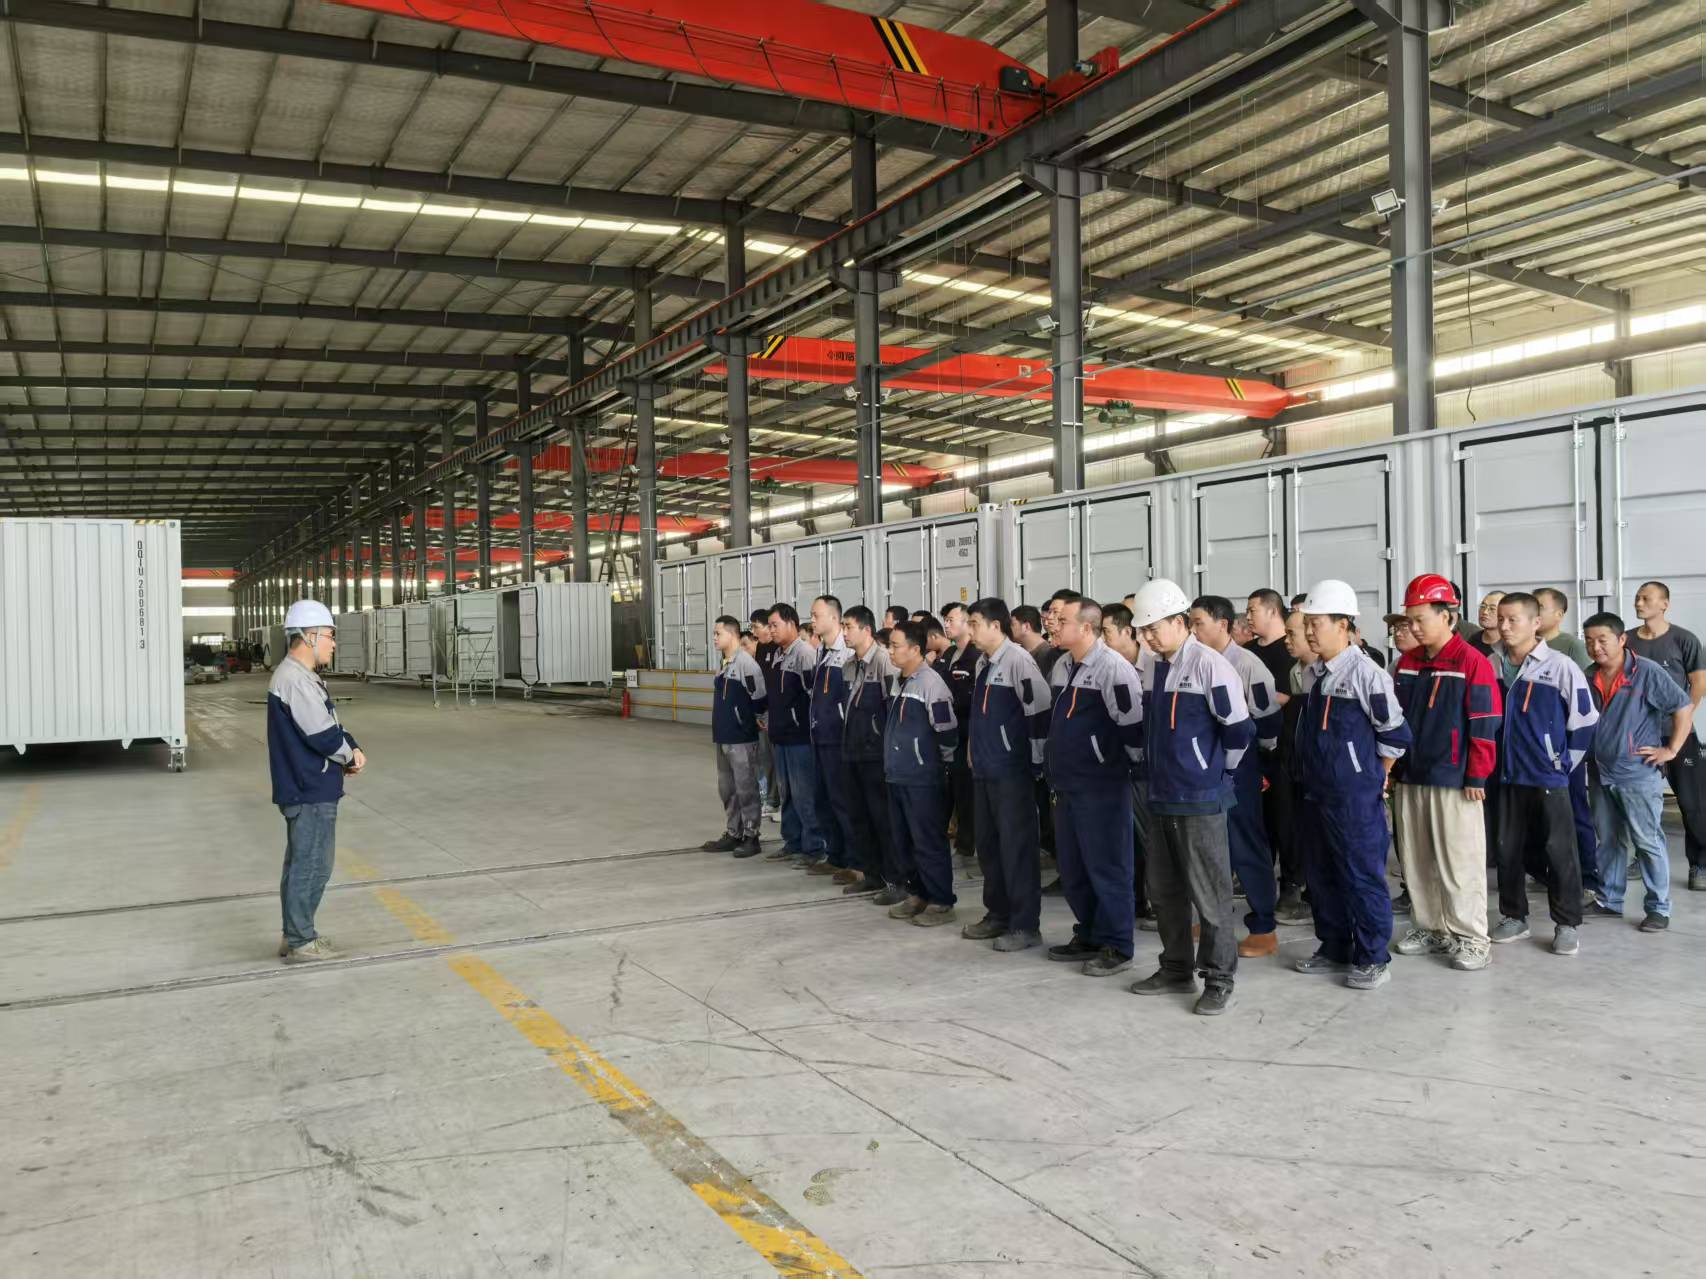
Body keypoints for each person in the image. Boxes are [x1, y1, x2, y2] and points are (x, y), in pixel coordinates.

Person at [1128, 582, 1253, 1015]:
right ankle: (1176, 968)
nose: (1147, 638)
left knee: (1210, 895)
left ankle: (1219, 978)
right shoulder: (1153, 667)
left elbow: (1239, 730)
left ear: (1180, 622)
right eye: (1143, 631)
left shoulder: (1209, 666)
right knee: (1164, 892)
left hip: (1200, 799)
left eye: (1154, 628)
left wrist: (1218, 772)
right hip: (1161, 795)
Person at [1291, 580, 1412, 991]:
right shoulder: (1315, 673)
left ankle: (1373, 957)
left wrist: (1375, 776)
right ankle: (1335, 946)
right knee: (1322, 876)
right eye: (1307, 624)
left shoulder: (1367, 674)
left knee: (1361, 876)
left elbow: (1394, 733)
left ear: (1343, 625)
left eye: (1317, 623)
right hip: (1317, 792)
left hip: (1354, 798)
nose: (1310, 632)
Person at [1389, 576, 1503, 972]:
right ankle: (1431, 927)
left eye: (1420, 619)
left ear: (1448, 616)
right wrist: (1394, 768)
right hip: (1411, 776)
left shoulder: (1471, 662)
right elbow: (1396, 721)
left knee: (1460, 862)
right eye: (1409, 620)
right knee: (1416, 860)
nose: (1413, 628)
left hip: (1454, 779)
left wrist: (1477, 776)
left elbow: (1485, 723)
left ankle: (1472, 938)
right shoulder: (1408, 663)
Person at [1489, 592, 1599, 955]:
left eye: (1513, 619)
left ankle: (1566, 923)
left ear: (1535, 623)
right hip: (1505, 775)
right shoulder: (1491, 665)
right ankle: (1514, 917)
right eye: (1501, 619)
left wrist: (1563, 764)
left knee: (1559, 850)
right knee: (1507, 849)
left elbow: (1585, 720)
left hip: (1549, 776)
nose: (1505, 626)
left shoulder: (1560, 667)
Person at [1044, 599, 1145, 978]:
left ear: (1087, 628)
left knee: (1108, 867)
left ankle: (1118, 944)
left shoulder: (1112, 668)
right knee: (1074, 868)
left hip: (1102, 786)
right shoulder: (1065, 664)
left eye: (1062, 620)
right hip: (1067, 784)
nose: (1054, 625)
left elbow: (1132, 728)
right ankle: (1089, 933)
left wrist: (1115, 766)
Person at [268, 600, 366, 964]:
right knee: (312, 866)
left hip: (308, 785)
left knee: (302, 864)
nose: (334, 643)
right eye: (329, 636)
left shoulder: (301, 677)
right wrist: (349, 755)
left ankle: (294, 933)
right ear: (309, 637)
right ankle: (301, 940)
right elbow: (322, 736)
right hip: (309, 788)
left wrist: (351, 746)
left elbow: (330, 724)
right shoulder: (294, 679)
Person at [1584, 611, 1693, 930]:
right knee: (1609, 839)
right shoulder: (1588, 675)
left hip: (1637, 773)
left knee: (1647, 841)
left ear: (1621, 639)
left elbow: (1682, 707)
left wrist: (1671, 750)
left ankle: (1659, 907)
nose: (1595, 647)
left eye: (1602, 639)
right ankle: (1609, 900)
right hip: (1599, 771)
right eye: (1589, 641)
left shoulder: (1646, 672)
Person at [1188, 595, 1281, 960]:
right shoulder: (1193, 662)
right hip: (1205, 766)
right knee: (1212, 846)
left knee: (1245, 843)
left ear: (1222, 624)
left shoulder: (1247, 665)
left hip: (1241, 765)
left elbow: (1268, 722)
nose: (1193, 630)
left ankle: (1263, 927)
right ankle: (1215, 919)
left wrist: (1258, 763)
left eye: (1198, 623)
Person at [962, 598, 1052, 952]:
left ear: (995, 626)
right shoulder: (983, 662)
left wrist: (1035, 762)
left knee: (1017, 849)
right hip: (985, 770)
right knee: (989, 847)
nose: (969, 630)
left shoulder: (1018, 661)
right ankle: (997, 914)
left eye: (974, 623)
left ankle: (1025, 924)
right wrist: (973, 749)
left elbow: (1038, 711)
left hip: (1012, 771)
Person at [1626, 580, 1706, 891]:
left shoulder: (1684, 639)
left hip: (1678, 736)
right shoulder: (1627, 641)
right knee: (1640, 803)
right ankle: (1643, 858)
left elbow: (1698, 684)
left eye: (1646, 598)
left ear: (1664, 604)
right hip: (1640, 736)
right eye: (1637, 598)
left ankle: (1700, 864)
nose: (1639, 603)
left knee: (1693, 803)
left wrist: (1681, 721)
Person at [882, 620, 961, 927]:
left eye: (895, 646)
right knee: (903, 841)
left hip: (923, 778)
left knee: (928, 841)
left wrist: (932, 764)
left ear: (915, 649)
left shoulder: (931, 684)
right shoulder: (899, 681)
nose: (890, 651)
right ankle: (918, 893)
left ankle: (941, 901)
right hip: (897, 774)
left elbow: (947, 733)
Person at [1536, 586, 1602, 901]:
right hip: (1535, 751)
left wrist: (1572, 751)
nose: (1534, 612)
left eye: (1540, 607)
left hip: (1563, 750)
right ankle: (1549, 873)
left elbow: (1582, 701)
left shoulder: (1571, 648)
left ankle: (1588, 877)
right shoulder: (1526, 646)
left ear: (1559, 614)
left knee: (1575, 811)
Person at [1100, 601, 1155, 928]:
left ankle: (1156, 901)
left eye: (1106, 632)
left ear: (1127, 632)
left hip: (1146, 767)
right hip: (1114, 766)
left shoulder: (1155, 666)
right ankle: (1133, 901)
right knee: (1123, 840)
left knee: (1151, 839)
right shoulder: (1103, 667)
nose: (1102, 639)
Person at [838, 606, 894, 898]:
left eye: (849, 627)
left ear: (867, 630)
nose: (844, 632)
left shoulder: (884, 662)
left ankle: (893, 878)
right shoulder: (849, 665)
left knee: (881, 819)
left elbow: (892, 711)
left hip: (876, 756)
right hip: (852, 752)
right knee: (858, 816)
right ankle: (871, 874)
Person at [764, 603, 825, 867]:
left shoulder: (804, 654)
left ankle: (814, 847)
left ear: (791, 623)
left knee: (804, 793)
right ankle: (793, 842)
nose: (771, 630)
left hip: (800, 738)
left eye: (775, 625)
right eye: (769, 626)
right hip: (781, 737)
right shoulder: (778, 655)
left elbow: (814, 697)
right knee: (787, 792)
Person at [704, 615, 768, 859]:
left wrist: (754, 719)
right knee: (727, 789)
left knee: (746, 788)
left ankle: (752, 835)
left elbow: (759, 698)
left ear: (732, 635)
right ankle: (734, 832)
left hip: (741, 738)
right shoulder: (724, 663)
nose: (714, 638)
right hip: (723, 736)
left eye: (717, 633)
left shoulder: (746, 664)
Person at [806, 595, 856, 878]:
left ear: (834, 618)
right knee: (822, 799)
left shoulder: (846, 653)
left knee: (842, 801)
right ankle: (835, 854)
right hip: (819, 737)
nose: (812, 620)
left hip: (838, 740)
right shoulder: (822, 651)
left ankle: (853, 859)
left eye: (816, 615)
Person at [1271, 609, 1315, 926]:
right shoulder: (1296, 671)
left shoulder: (1328, 673)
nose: (1287, 641)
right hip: (1291, 759)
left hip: (1317, 765)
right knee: (1288, 823)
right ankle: (1293, 884)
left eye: (1292, 634)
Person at [939, 601, 980, 867]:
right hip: (949, 734)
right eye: (945, 620)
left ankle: (967, 846)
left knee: (967, 793)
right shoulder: (949, 654)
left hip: (967, 734)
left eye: (951, 620)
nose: (947, 625)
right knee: (952, 791)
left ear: (967, 623)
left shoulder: (975, 656)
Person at [752, 608, 783, 823]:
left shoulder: (781, 648)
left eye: (757, 627)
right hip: (765, 711)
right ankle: (771, 800)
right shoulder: (762, 648)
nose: (755, 632)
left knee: (779, 759)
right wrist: (759, 711)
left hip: (778, 713)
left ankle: (781, 801)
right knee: (766, 758)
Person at [1245, 590, 1294, 692]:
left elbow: (1283, 695)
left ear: (1272, 612)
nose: (1248, 617)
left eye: (1252, 611)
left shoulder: (1291, 648)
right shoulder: (1247, 648)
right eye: (1247, 612)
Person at [1535, 587, 1591, 669]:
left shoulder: (1574, 646)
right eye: (1531, 607)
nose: (1532, 612)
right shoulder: (1523, 643)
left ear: (1559, 615)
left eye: (1540, 607)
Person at [1468, 591, 1505, 658]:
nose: (1485, 612)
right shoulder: (1472, 641)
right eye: (1483, 606)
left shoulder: (1511, 643)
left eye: (1492, 609)